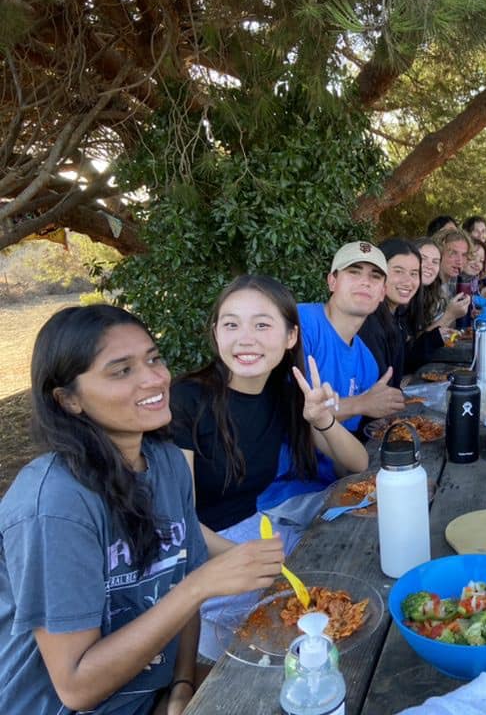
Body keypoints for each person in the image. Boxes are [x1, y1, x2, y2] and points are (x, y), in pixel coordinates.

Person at [0, 305, 283, 714]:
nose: (154, 379)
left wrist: (183, 683)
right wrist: (201, 584)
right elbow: (77, 687)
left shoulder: (166, 463)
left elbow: (183, 580)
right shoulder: (55, 503)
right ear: (68, 400)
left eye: (153, 359)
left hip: (153, 693)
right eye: (121, 371)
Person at [171, 275, 368, 659]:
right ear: (215, 334)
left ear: (291, 336)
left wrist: (322, 419)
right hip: (200, 561)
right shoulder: (186, 400)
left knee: (349, 591)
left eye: (262, 324)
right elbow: (177, 522)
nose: (246, 338)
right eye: (231, 324)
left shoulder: (285, 391)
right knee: (274, 652)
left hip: (256, 538)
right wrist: (247, 558)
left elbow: (358, 465)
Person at [259, 242, 403, 512]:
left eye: (375, 276)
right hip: (276, 494)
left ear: (383, 293)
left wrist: (357, 490)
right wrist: (361, 404)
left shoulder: (367, 364)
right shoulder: (300, 325)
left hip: (326, 492)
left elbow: (337, 450)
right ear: (332, 281)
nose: (365, 282)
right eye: (354, 272)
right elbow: (286, 414)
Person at [359, 239, 445, 382]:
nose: (408, 281)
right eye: (398, 271)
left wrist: (434, 338)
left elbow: (403, 362)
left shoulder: (398, 314)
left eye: (414, 273)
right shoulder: (368, 322)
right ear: (378, 273)